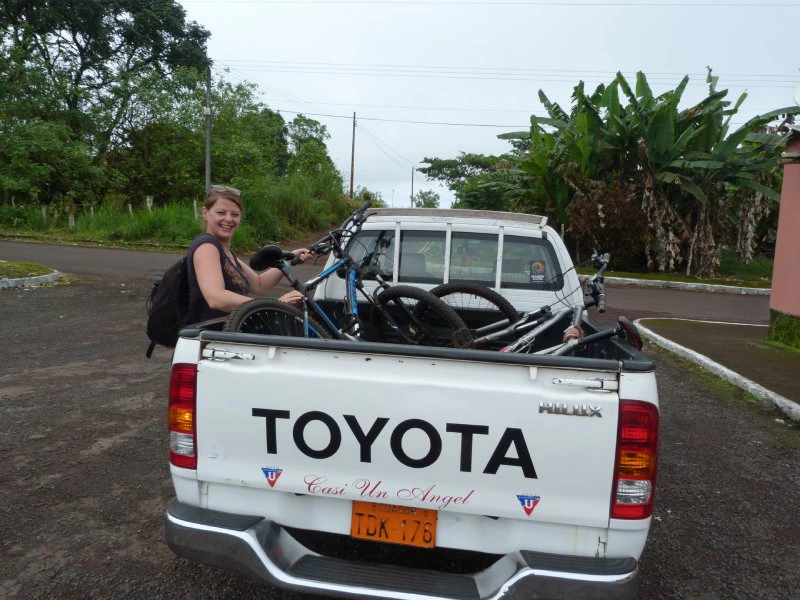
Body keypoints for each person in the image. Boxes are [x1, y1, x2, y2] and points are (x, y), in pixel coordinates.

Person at [187, 185, 312, 324]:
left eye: (235, 214)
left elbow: (259, 284)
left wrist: (290, 261)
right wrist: (275, 304)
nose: (229, 219)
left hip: (230, 331)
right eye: (221, 213)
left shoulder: (224, 251)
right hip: (212, 337)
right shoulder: (207, 247)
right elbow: (216, 298)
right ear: (205, 213)